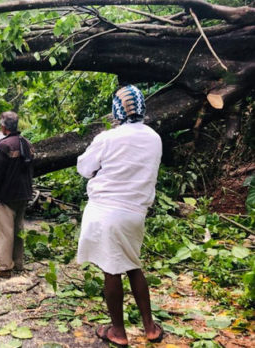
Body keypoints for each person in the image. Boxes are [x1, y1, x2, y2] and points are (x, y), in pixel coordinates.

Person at [76, 85, 164, 346]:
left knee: (111, 270)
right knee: (133, 265)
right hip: (135, 213)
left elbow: (84, 168)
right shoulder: (154, 137)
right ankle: (149, 327)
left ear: (117, 110)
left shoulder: (108, 138)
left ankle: (118, 331)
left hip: (104, 211)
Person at [0, 111, 33, 278]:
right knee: (18, 229)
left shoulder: (4, 146)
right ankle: (18, 263)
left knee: (4, 232)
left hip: (6, 195)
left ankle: (3, 267)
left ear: (4, 126)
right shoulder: (26, 143)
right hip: (23, 193)